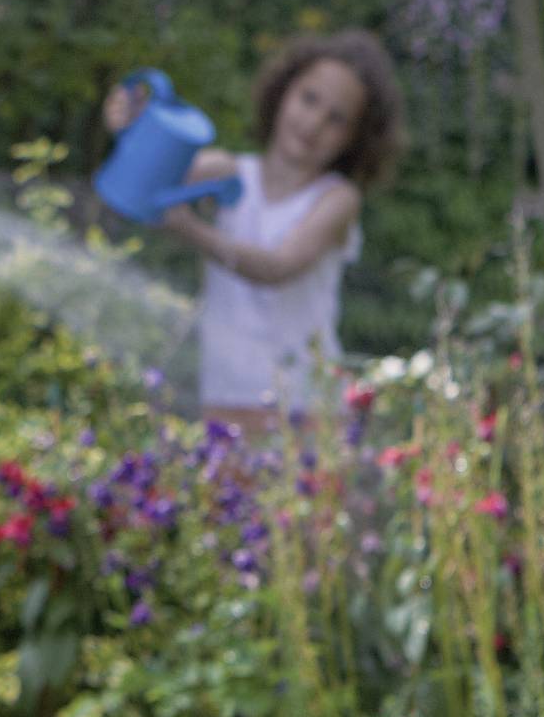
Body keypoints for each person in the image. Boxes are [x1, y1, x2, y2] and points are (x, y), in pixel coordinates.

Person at [100, 32, 405, 428]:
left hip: (305, 411)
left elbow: (278, 267)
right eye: (309, 99)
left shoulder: (337, 200)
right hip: (225, 400)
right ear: (282, 92)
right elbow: (151, 181)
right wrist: (132, 127)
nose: (313, 123)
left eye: (337, 119)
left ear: (356, 139)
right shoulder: (228, 170)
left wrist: (191, 229)